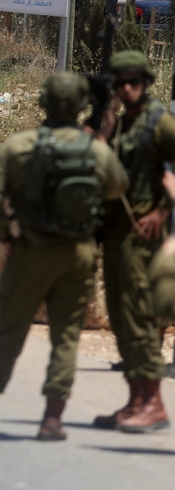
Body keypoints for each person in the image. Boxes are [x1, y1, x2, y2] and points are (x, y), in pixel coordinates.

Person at [0, 72, 127, 441]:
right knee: (65, 336)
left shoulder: (20, 146)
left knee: (7, 329)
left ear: (43, 102)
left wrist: (6, 235)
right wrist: (101, 138)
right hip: (78, 252)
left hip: (30, 250)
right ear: (82, 106)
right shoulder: (94, 150)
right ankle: (53, 420)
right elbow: (117, 189)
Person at [94, 51, 175, 433]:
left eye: (134, 82)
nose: (127, 89)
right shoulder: (120, 123)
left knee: (140, 317)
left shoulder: (160, 124)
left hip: (143, 236)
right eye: (120, 82)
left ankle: (154, 403)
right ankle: (135, 400)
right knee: (120, 316)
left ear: (145, 84)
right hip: (114, 233)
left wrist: (161, 211)